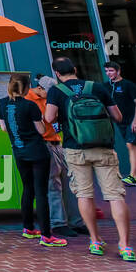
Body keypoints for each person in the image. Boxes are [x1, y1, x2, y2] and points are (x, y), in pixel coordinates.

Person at [45, 57, 136, 261]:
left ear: (57, 74)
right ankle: (125, 245)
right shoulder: (96, 87)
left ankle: (95, 240)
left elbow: (49, 118)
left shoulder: (56, 91)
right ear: (75, 69)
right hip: (103, 147)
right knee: (115, 195)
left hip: (75, 148)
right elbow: (118, 117)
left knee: (84, 195)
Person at [0, 73, 65, 247]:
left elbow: (4, 128)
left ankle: (28, 228)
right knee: (41, 192)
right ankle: (46, 235)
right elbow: (42, 130)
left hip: (19, 152)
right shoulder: (30, 105)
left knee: (27, 189)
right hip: (37, 152)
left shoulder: (3, 103)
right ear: (27, 87)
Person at [28, 73, 86, 238]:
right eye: (48, 92)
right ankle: (59, 222)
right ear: (39, 89)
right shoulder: (30, 100)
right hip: (44, 143)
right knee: (53, 184)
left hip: (57, 141)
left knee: (69, 182)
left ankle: (76, 221)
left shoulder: (49, 97)